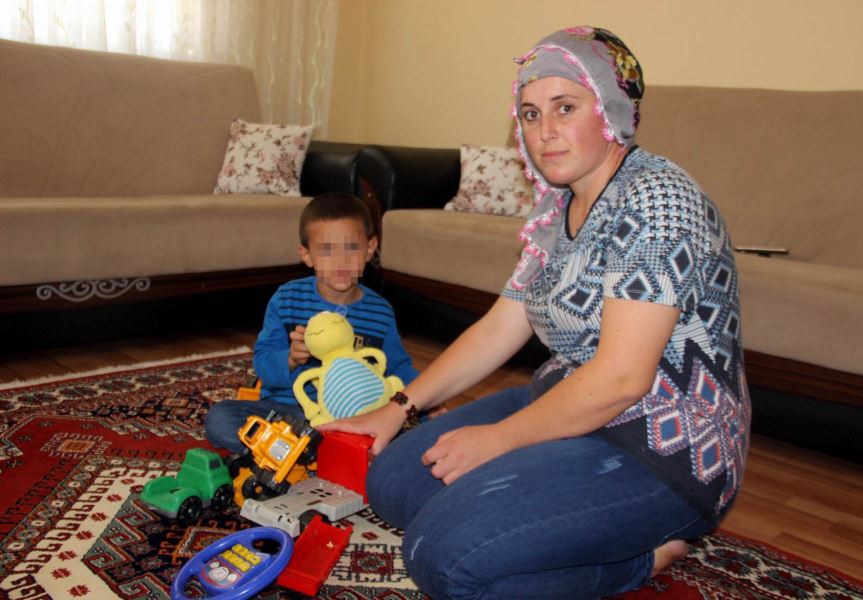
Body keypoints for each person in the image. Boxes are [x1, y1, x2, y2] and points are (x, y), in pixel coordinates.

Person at [319, 27, 751, 599]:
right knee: (393, 483)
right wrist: (396, 407)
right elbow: (501, 325)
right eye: (529, 114)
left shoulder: (658, 200)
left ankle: (642, 560)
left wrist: (499, 440)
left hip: (662, 450)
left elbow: (623, 379)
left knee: (443, 558)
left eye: (565, 108)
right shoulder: (557, 205)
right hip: (568, 402)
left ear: (610, 109)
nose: (544, 132)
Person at [205, 193, 418, 454]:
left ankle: (301, 452)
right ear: (307, 255)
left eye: (351, 247)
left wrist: (425, 404)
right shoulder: (287, 299)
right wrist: (291, 359)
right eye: (327, 250)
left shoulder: (380, 311)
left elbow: (399, 369)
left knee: (415, 430)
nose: (340, 260)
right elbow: (264, 363)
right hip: (289, 411)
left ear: (370, 248)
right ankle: (308, 451)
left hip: (354, 417)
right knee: (220, 417)